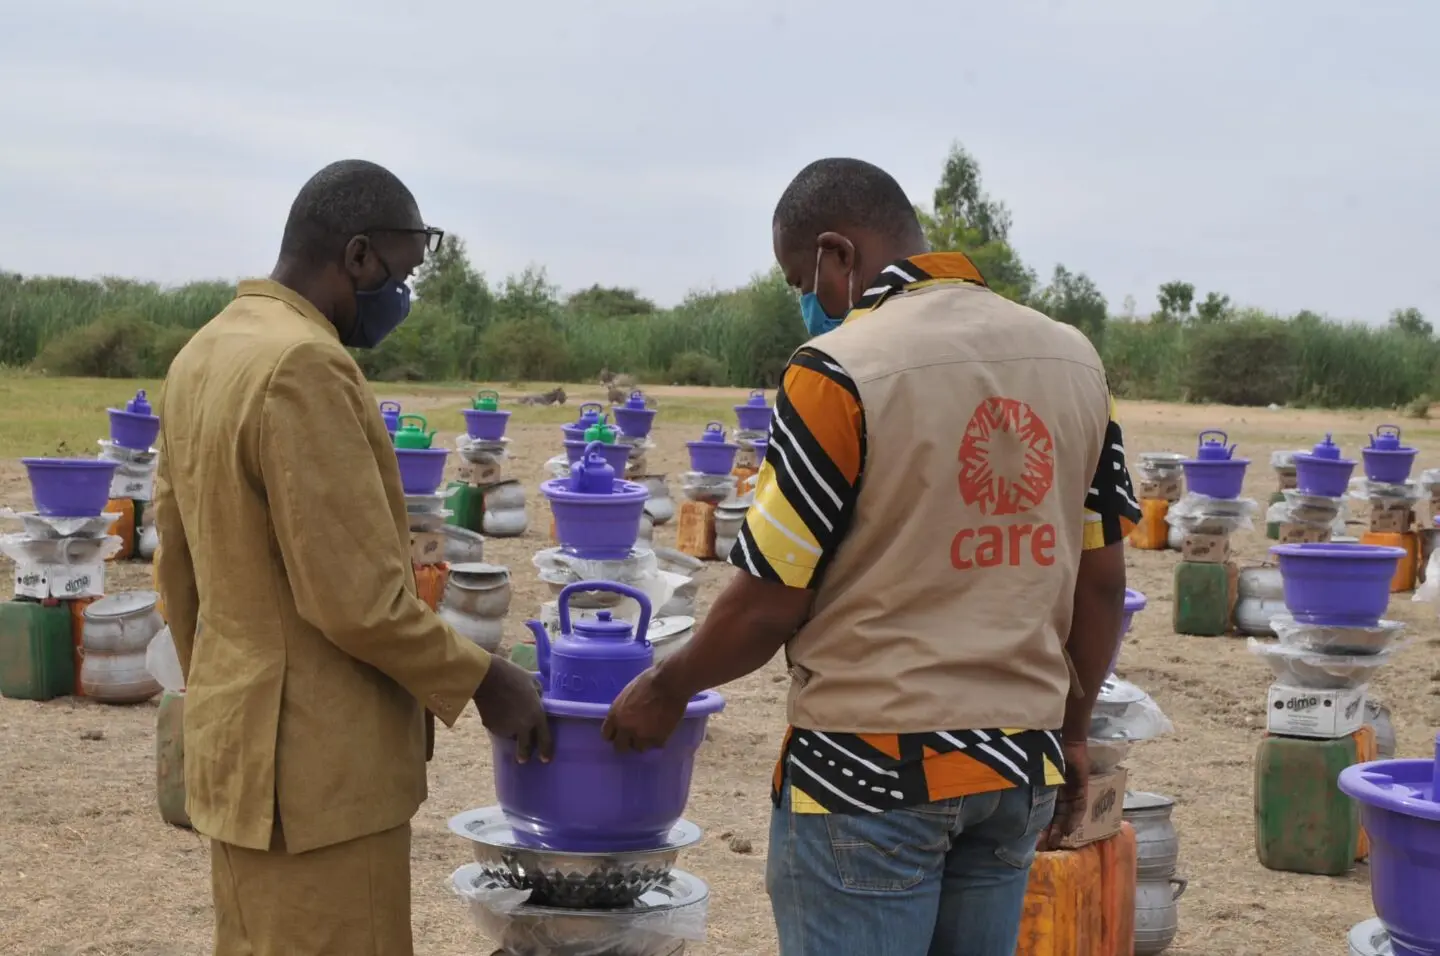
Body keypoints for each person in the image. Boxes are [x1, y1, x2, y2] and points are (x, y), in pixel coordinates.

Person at [603, 157, 1140, 956]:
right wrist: (1072, 727)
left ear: (837, 255)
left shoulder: (839, 371)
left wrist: (666, 684)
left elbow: (766, 602)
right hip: (1015, 769)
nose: (806, 303)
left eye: (800, 280)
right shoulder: (1072, 361)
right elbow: (1102, 586)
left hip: (872, 773)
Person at [152, 159, 552, 956]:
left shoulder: (206, 352)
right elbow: (355, 600)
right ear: (359, 256)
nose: (401, 294)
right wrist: (485, 679)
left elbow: (177, 568)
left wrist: (230, 697)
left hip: (244, 759)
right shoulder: (305, 364)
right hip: (319, 781)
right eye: (401, 272)